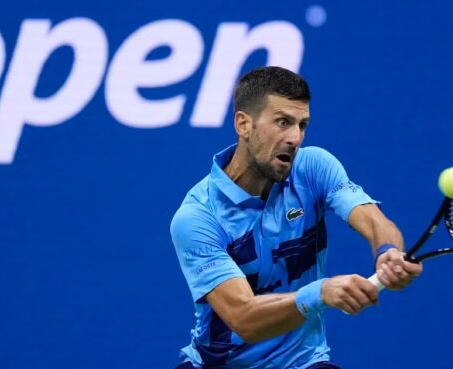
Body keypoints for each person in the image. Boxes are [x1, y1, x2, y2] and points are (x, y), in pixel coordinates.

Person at [170, 66, 422, 369]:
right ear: (243, 124)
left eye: (302, 125)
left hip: (303, 362)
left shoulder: (314, 167)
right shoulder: (198, 217)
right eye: (282, 122)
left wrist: (388, 252)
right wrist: (320, 292)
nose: (295, 137)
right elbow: (244, 317)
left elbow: (372, 220)